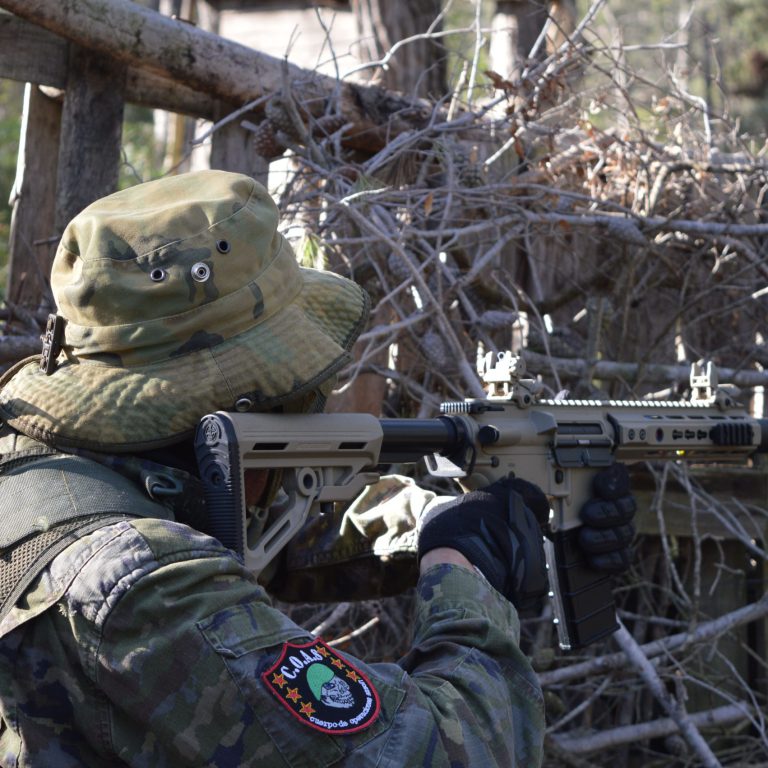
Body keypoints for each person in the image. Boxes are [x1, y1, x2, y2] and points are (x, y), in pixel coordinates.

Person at [0, 170, 634, 767]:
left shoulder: (50, 478)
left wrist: (441, 518)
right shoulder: (142, 585)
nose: (311, 406)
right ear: (243, 400)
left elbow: (272, 529)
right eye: (297, 393)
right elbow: (439, 750)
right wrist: (467, 580)